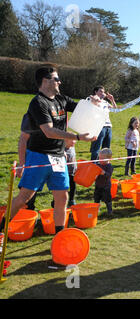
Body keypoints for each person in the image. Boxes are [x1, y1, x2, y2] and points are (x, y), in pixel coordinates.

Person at [0, 66, 97, 235]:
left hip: (59, 158)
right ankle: (1, 228)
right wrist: (78, 137)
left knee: (62, 197)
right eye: (56, 78)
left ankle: (60, 235)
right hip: (39, 156)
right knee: (24, 198)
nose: (60, 81)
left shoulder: (61, 99)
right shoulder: (38, 103)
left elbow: (80, 107)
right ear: (45, 81)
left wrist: (93, 101)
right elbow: (49, 131)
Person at [89, 86, 120, 161]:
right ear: (95, 92)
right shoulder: (92, 100)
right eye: (100, 91)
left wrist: (112, 100)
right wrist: (94, 98)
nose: (103, 93)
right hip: (100, 127)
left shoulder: (105, 102)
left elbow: (115, 110)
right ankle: (93, 165)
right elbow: (92, 101)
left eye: (103, 91)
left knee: (106, 150)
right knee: (96, 149)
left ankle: (103, 165)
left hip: (108, 127)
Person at [94, 148, 114, 215]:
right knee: (96, 198)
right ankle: (96, 209)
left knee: (107, 199)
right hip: (98, 185)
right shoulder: (98, 165)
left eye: (102, 158)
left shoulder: (109, 166)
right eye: (99, 158)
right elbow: (94, 173)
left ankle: (109, 210)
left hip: (106, 186)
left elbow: (108, 175)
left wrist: (104, 173)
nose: (100, 160)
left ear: (108, 158)